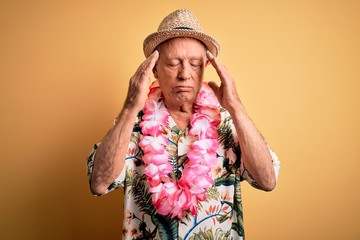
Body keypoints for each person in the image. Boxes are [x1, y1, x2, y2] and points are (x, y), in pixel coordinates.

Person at [87, 9, 280, 240]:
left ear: (205, 69)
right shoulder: (133, 124)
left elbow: (267, 181)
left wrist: (236, 106)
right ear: (155, 69)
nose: (185, 74)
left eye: (195, 63)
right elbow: (98, 183)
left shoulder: (228, 123)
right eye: (173, 63)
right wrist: (129, 107)